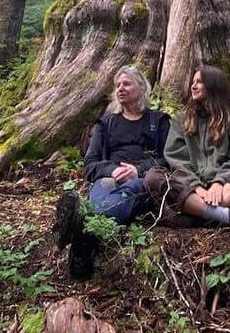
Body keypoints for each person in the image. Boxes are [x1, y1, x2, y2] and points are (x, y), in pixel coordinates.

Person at [54, 65, 169, 278]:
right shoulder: (106, 124)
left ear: (142, 87)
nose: (120, 89)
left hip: (140, 180)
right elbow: (90, 163)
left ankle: (80, 227)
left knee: (127, 194)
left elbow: (168, 159)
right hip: (108, 178)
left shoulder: (158, 121)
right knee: (102, 195)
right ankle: (85, 233)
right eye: (117, 85)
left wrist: (138, 170)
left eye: (126, 84)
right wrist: (112, 170)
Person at [145, 64, 230, 226]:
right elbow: (176, 159)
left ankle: (201, 214)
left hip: (226, 188)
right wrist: (196, 186)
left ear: (213, 85)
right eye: (193, 82)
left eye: (199, 82)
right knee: (153, 177)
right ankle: (227, 216)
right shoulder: (181, 119)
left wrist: (219, 182)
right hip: (191, 189)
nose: (193, 86)